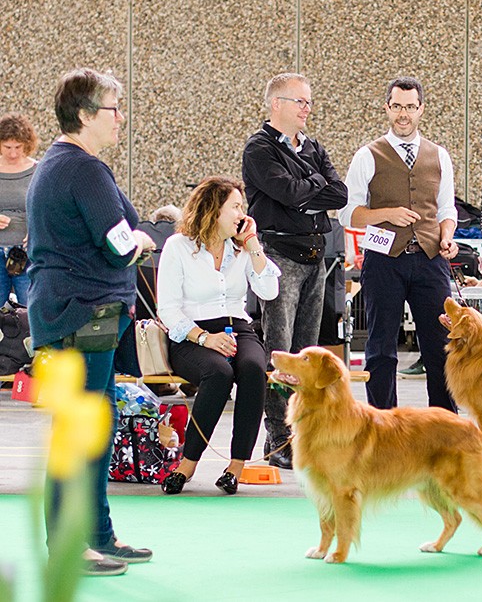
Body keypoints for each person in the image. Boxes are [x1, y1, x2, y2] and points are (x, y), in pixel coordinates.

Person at [26, 68, 156, 576]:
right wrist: (144, 240)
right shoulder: (82, 169)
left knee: (92, 432)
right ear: (84, 116)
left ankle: (97, 535)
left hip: (75, 317)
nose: (120, 119)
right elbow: (121, 243)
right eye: (113, 109)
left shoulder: (68, 165)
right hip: (80, 317)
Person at [242, 73, 347, 470]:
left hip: (315, 257)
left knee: (307, 352)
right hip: (280, 256)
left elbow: (340, 193)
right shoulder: (259, 149)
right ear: (276, 104)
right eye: (300, 101)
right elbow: (287, 193)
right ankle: (278, 437)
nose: (307, 109)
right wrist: (312, 184)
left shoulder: (313, 146)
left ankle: (307, 434)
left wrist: (308, 187)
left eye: (309, 102)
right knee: (281, 352)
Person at [339, 76, 459, 411]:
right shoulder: (368, 155)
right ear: (386, 108)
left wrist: (447, 236)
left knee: (440, 347)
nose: (403, 114)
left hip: (430, 260)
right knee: (380, 349)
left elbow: (447, 209)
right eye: (396, 107)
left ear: (421, 109)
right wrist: (387, 213)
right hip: (383, 260)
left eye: (410, 107)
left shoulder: (440, 156)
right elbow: (347, 214)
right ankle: (382, 426)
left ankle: (444, 427)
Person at [157, 177, 280, 496]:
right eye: (236, 206)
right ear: (214, 210)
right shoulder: (179, 247)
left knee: (254, 369)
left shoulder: (242, 246)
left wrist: (253, 245)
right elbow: (167, 311)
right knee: (219, 372)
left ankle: (235, 467)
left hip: (237, 325)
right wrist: (203, 338)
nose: (243, 213)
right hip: (191, 332)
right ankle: (188, 463)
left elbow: (269, 290)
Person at [0, 113, 39, 306]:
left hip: (26, 254)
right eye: (7, 147)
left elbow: (48, 210)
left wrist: (37, 232)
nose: (13, 153)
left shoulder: (37, 170)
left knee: (29, 311)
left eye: (18, 147)